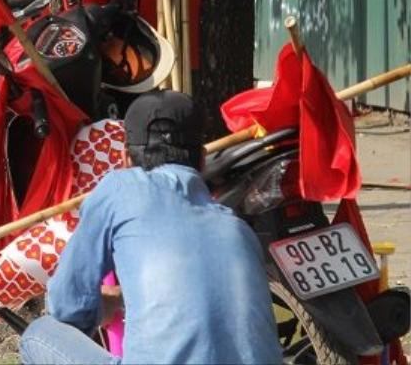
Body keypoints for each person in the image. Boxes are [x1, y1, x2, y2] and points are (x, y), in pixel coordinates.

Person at [19, 90, 282, 365]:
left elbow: (67, 304)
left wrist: (99, 307)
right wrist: (122, 299)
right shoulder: (237, 227)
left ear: (124, 158)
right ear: (202, 159)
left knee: (38, 333)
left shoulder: (118, 188)